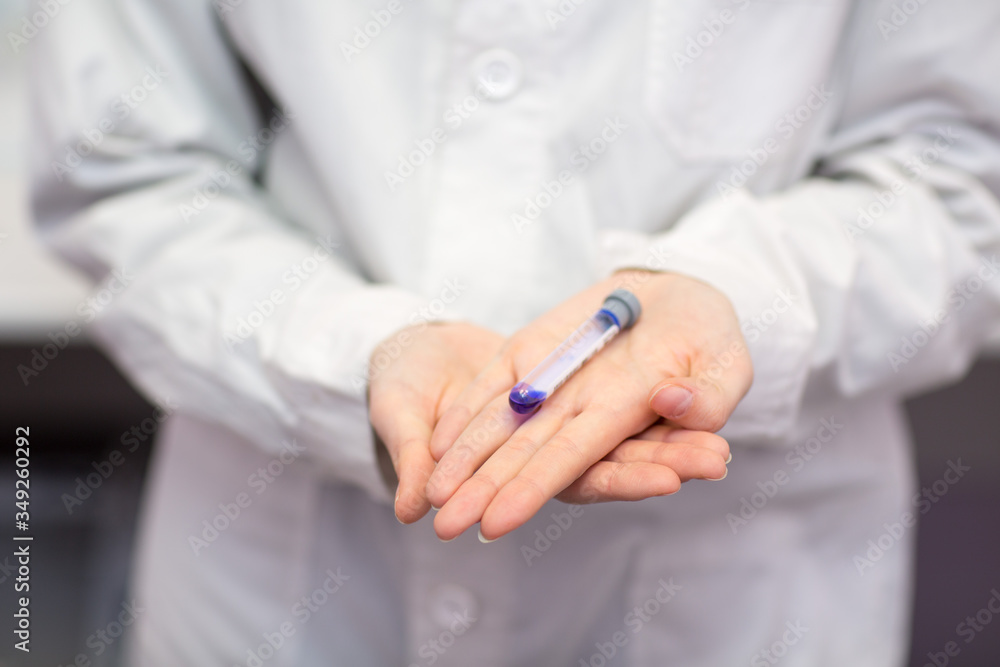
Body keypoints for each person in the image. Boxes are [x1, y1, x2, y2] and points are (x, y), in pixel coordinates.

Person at [29, 0, 1000, 665]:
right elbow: (129, 174)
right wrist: (348, 350)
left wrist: (730, 292)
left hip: (733, 594)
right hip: (276, 588)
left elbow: (961, 182)